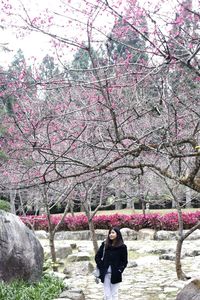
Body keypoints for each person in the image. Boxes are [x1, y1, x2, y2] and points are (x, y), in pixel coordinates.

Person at [95, 227, 128, 300]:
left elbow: (124, 261)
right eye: (110, 233)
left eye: (113, 233)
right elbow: (97, 257)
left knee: (114, 294)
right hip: (105, 273)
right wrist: (101, 266)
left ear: (117, 234)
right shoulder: (104, 245)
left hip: (116, 274)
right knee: (107, 295)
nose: (110, 234)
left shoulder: (122, 247)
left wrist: (120, 270)